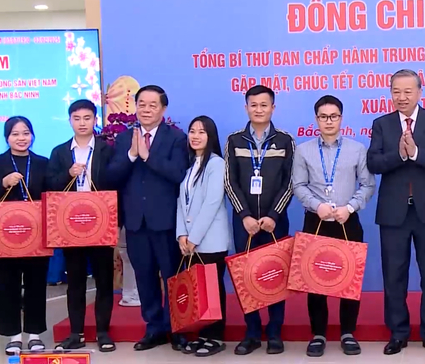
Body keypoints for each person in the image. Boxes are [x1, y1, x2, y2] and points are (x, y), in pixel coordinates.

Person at [366, 69, 425, 356]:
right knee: (394, 275)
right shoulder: (382, 124)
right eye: (396, 92)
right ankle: (398, 333)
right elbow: (374, 163)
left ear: (419, 92)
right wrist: (400, 155)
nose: (401, 97)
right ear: (390, 93)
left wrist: (415, 153)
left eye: (407, 92)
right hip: (393, 213)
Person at [291, 95, 375, 358]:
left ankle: (348, 332)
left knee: (349, 279)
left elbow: (368, 184)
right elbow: (298, 186)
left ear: (341, 118)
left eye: (334, 116)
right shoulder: (303, 150)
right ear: (316, 119)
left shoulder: (357, 149)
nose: (329, 121)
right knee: (315, 281)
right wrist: (318, 206)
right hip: (316, 220)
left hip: (347, 221)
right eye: (324, 116)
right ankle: (318, 334)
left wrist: (349, 207)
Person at [107, 85, 189, 351]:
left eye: (152, 105)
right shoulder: (122, 140)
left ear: (163, 109)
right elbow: (111, 178)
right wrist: (132, 155)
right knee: (144, 278)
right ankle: (153, 329)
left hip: (166, 221)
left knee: (172, 277)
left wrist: (147, 156)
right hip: (135, 222)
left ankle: (176, 328)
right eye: (142, 104)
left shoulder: (176, 138)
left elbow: (178, 174)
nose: (146, 109)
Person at [224, 85, 295, 355]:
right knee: (247, 277)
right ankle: (252, 331)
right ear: (246, 108)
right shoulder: (234, 140)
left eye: (264, 105)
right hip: (244, 224)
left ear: (273, 108)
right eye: (253, 105)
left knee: (276, 275)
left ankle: (275, 332)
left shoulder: (285, 141)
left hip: (275, 221)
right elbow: (230, 183)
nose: (259, 109)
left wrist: (273, 215)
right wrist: (244, 216)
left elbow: (289, 183)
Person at [47, 99, 116, 353]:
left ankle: (102, 331)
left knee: (104, 279)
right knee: (74, 280)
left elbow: (116, 180)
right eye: (77, 118)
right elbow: (51, 184)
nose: (82, 123)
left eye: (87, 118)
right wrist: (69, 174)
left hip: (101, 223)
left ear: (95, 120)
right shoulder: (60, 152)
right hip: (71, 225)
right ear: (70, 121)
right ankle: (75, 332)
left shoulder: (107, 150)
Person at [0, 116, 50, 354]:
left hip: (36, 234)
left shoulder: (42, 163)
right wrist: (3, 183)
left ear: (32, 135)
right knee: (7, 283)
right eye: (15, 134)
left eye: (25, 133)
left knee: (36, 284)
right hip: (4, 235)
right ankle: (13, 335)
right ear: (7, 137)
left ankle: (35, 334)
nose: (21, 138)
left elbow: (53, 197)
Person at [176, 116, 230, 358]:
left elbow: (212, 203)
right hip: (190, 242)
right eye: (192, 131)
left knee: (213, 290)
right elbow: (181, 204)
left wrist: (194, 237)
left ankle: (216, 337)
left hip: (210, 240)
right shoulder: (189, 167)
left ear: (211, 136)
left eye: (202, 131)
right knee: (199, 290)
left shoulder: (217, 164)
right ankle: (203, 334)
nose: (196, 135)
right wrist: (181, 235)